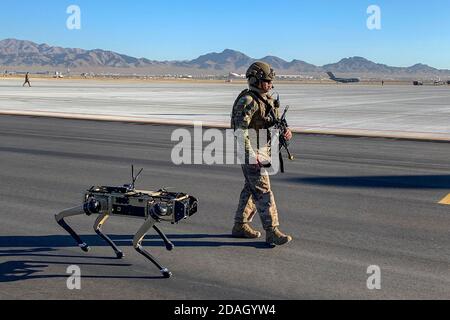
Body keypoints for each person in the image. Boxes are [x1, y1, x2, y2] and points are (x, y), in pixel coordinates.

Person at [230, 61, 293, 246]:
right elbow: (239, 131)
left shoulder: (268, 99)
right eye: (267, 81)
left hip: (263, 150)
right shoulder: (247, 101)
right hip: (251, 152)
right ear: (256, 80)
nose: (270, 84)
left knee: (250, 190)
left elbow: (273, 122)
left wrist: (286, 131)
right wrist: (251, 155)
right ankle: (272, 230)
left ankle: (240, 226)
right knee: (263, 191)